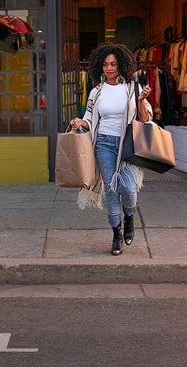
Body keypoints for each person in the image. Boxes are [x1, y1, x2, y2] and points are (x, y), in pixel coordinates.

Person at [70, 43, 152, 256]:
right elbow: (90, 119)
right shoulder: (96, 92)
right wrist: (80, 122)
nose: (109, 68)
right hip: (104, 144)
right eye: (105, 64)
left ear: (121, 65)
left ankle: (129, 215)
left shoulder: (133, 88)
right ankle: (116, 233)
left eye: (113, 64)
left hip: (128, 145)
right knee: (111, 188)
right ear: (100, 66)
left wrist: (142, 101)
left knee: (128, 187)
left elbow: (146, 119)